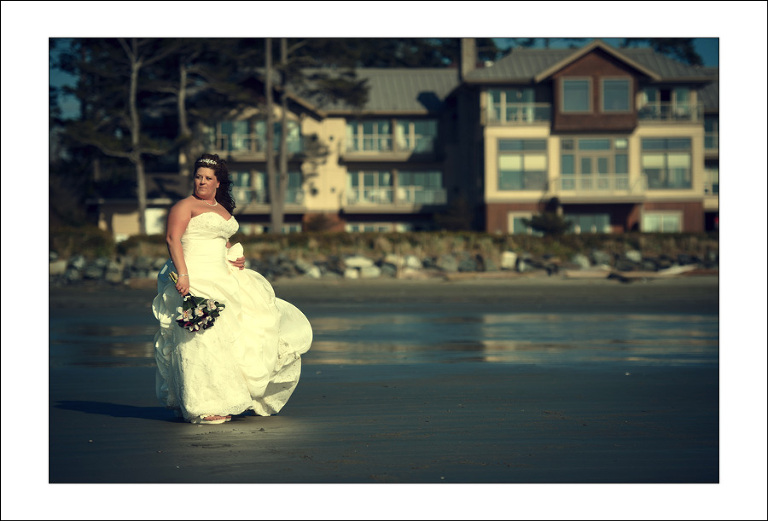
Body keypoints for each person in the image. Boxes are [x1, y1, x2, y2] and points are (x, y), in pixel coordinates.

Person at [152, 153, 312, 424]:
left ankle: (226, 397)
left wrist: (233, 254)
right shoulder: (184, 206)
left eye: (208, 178)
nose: (201, 182)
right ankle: (201, 403)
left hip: (223, 277)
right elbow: (173, 239)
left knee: (231, 336)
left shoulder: (221, 208)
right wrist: (183, 274)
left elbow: (218, 238)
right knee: (200, 338)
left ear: (218, 183)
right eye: (198, 176)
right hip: (195, 276)